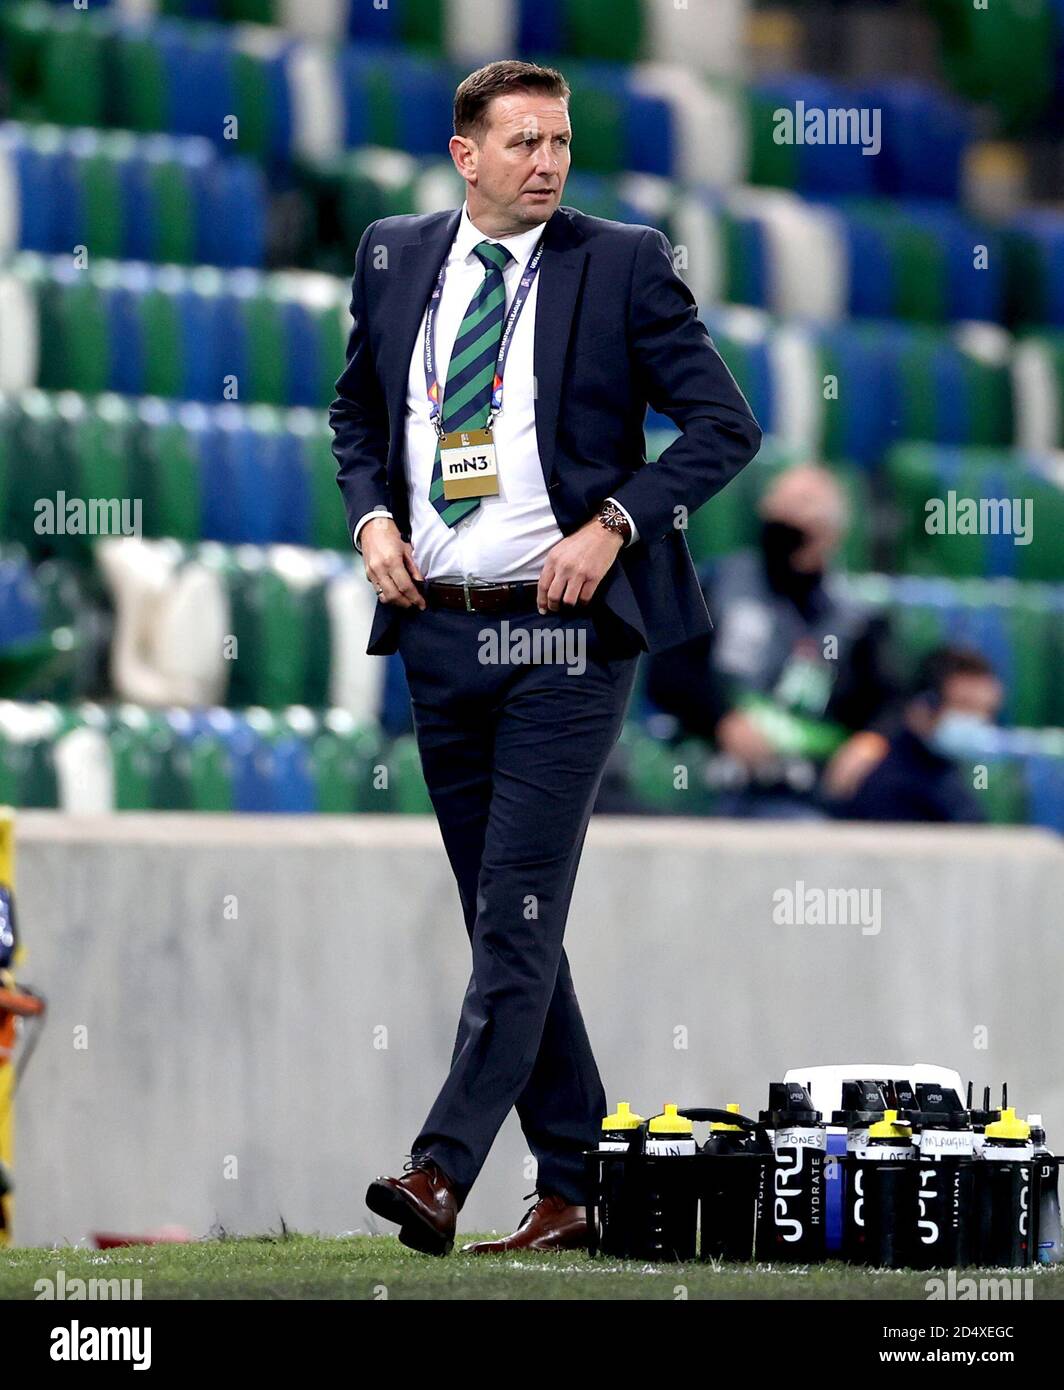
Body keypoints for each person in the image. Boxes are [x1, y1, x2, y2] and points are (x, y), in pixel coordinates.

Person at [329, 59, 761, 1256]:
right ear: (464, 154)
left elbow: (726, 423)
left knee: (514, 915)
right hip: (438, 627)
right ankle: (574, 1183)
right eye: (523, 142)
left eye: (560, 142)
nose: (548, 161)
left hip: (566, 638)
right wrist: (371, 520)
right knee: (501, 915)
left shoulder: (618, 259)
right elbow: (356, 415)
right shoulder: (393, 252)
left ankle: (438, 1168)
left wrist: (614, 522)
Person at [645, 465, 897, 818]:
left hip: (813, 784)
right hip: (715, 772)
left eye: (801, 508)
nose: (783, 518)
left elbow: (888, 701)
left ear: (831, 534)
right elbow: (669, 674)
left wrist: (869, 743)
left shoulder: (857, 616)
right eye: (778, 506)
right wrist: (722, 721)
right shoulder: (718, 586)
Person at [835, 646, 1004, 823]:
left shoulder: (958, 773)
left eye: (986, 710)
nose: (976, 721)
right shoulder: (894, 786)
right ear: (922, 708)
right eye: (964, 706)